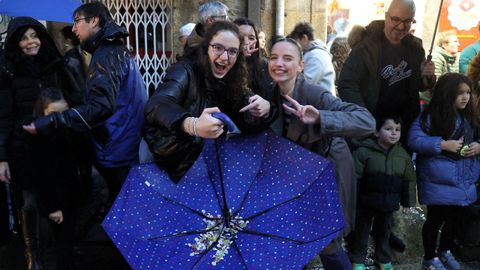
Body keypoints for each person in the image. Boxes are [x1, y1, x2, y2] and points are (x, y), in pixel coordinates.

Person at [23, 2, 148, 206]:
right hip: (124, 143)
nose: (73, 29)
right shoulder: (113, 49)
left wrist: (51, 121)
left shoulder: (106, 54)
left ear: (94, 21)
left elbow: (100, 107)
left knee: (124, 213)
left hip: (118, 148)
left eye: (76, 21)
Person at [268, 38, 375, 270]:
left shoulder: (315, 95)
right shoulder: (269, 95)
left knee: (327, 242)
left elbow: (366, 122)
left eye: (288, 58)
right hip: (297, 178)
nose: (279, 64)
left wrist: (321, 118)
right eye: (274, 57)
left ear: (301, 66)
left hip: (328, 175)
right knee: (294, 238)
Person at [144, 21, 276, 181]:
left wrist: (266, 109)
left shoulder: (235, 78)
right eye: (218, 48)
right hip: (170, 163)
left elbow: (247, 126)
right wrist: (192, 125)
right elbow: (157, 104)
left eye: (233, 51)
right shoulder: (186, 70)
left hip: (206, 169)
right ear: (206, 48)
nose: (225, 57)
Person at [0, 16, 83, 270]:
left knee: (61, 199)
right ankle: (32, 256)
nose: (30, 42)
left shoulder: (56, 66)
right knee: (28, 203)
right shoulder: (7, 71)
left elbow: (76, 100)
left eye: (34, 36)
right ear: (15, 42)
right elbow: (3, 115)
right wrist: (2, 156)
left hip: (55, 145)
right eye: (24, 38)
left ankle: (64, 254)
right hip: (22, 149)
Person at [338, 0, 435, 148]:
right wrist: (362, 115)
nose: (401, 26)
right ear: (386, 16)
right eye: (396, 19)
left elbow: (418, 86)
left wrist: (427, 77)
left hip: (403, 128)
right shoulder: (366, 47)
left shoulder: (415, 48)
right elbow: (346, 83)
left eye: (407, 21)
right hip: (372, 131)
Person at [408, 73, 480, 270]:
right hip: (438, 180)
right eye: (459, 93)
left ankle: (444, 251)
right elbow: (415, 139)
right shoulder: (430, 116)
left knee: (456, 220)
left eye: (468, 92)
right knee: (435, 220)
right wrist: (441, 144)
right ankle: (429, 257)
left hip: (463, 180)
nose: (465, 97)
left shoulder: (470, 117)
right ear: (447, 94)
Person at [31, 87, 91, 270]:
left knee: (68, 240)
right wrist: (52, 207)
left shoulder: (70, 131)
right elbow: (42, 177)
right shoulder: (41, 140)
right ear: (42, 113)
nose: (57, 119)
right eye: (52, 114)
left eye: (63, 113)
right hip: (57, 201)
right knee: (62, 244)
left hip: (72, 196)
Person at [349, 117, 416, 270]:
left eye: (397, 130)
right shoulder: (363, 152)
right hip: (365, 202)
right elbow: (354, 178)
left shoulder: (402, 155)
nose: (394, 133)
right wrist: (353, 199)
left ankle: (383, 257)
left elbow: (409, 180)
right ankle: (359, 258)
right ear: (376, 132)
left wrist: (408, 201)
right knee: (361, 231)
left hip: (388, 203)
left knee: (384, 232)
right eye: (388, 129)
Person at [288, 22, 335, 94]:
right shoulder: (312, 53)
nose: (295, 47)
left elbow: (306, 83)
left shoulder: (316, 56)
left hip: (321, 102)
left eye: (296, 42)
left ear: (304, 38)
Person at [233, 18, 274, 100]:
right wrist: (239, 56)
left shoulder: (265, 66)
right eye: (240, 38)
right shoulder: (225, 63)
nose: (246, 42)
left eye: (251, 38)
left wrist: (267, 106)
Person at [420, 30, 460, 105]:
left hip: (448, 97)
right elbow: (435, 85)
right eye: (455, 41)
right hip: (432, 101)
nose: (459, 44)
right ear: (444, 44)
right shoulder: (436, 58)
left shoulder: (455, 58)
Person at [60, 25, 87, 92]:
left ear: (68, 41)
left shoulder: (69, 61)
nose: (58, 41)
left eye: (60, 37)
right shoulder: (79, 55)